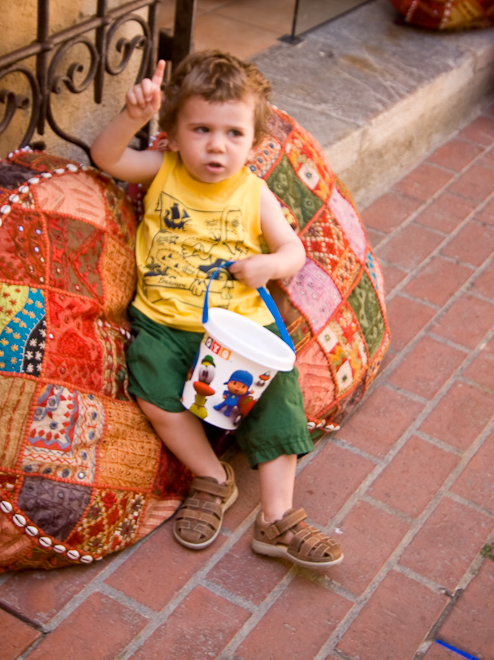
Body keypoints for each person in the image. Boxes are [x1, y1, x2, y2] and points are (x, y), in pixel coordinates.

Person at [90, 50, 343, 571]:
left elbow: (293, 252)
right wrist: (133, 117)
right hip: (163, 321)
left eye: (233, 134)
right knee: (154, 389)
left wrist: (267, 265)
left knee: (279, 394)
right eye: (201, 129)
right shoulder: (163, 169)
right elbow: (107, 158)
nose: (216, 146)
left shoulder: (255, 194)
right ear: (174, 133)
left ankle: (276, 516)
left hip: (242, 329)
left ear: (253, 142)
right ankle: (211, 476)